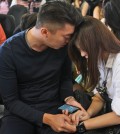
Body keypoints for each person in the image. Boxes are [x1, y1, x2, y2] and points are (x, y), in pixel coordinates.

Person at [0, 1, 83, 134]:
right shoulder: (8, 51)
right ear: (45, 32)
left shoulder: (63, 47)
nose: (70, 41)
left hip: (56, 106)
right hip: (20, 111)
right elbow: (11, 101)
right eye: (67, 37)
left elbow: (65, 78)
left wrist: (69, 98)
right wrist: (48, 119)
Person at [68, 16, 120, 133]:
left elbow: (118, 116)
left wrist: (81, 126)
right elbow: (100, 96)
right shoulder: (100, 59)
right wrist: (87, 114)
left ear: (97, 42)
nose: (82, 54)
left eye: (84, 49)